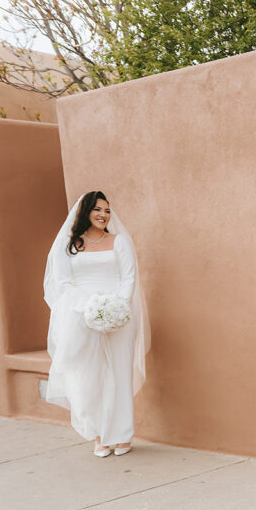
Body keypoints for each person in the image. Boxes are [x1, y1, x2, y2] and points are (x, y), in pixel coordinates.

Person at [43, 191, 150, 457]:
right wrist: (89, 308)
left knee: (120, 374)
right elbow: (63, 283)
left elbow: (128, 278)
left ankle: (122, 435)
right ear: (86, 212)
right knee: (90, 376)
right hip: (81, 316)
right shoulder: (68, 244)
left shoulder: (119, 242)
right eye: (98, 209)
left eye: (107, 211)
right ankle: (99, 435)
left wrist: (115, 308)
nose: (103, 215)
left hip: (118, 316)